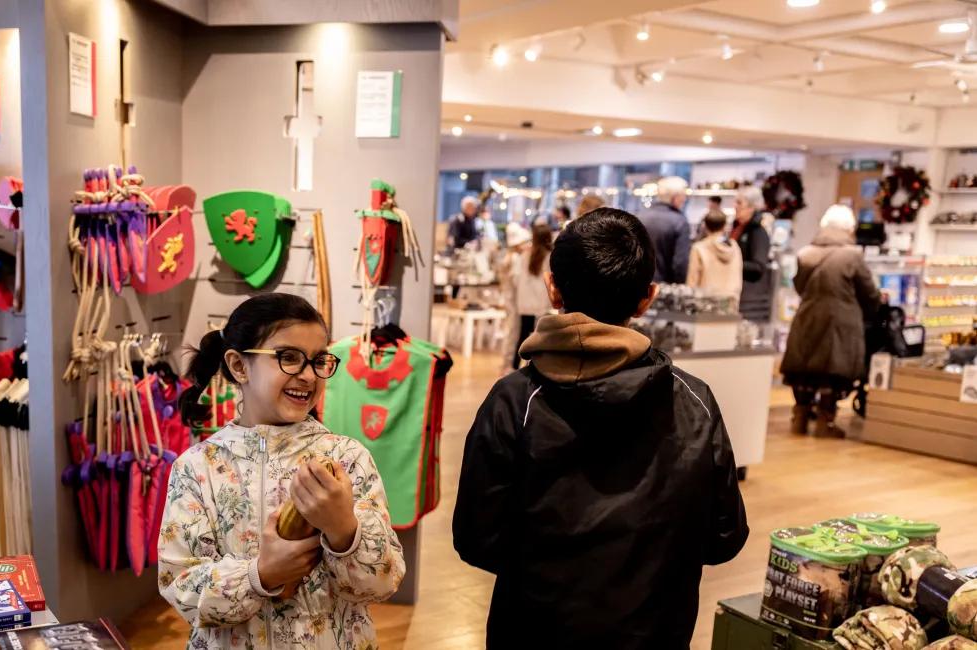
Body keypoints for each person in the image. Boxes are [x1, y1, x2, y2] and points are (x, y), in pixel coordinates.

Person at [452, 208, 748, 649]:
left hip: (533, 632)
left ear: (553, 288)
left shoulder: (516, 401)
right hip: (655, 632)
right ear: (647, 297)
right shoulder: (694, 399)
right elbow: (724, 537)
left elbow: (477, 539)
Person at [158, 293, 405, 649]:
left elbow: (382, 583)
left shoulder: (347, 459)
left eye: (318, 360)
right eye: (288, 358)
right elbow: (179, 586)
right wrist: (260, 575)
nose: (307, 375)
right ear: (240, 366)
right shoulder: (197, 469)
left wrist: (343, 530)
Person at [781, 205, 881, 438]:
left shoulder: (806, 253)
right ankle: (825, 422)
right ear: (849, 228)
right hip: (840, 322)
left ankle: (800, 418)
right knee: (832, 372)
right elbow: (869, 293)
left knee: (804, 371)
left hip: (807, 317)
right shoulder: (853, 255)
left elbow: (799, 287)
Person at [500, 223, 553, 372]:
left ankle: (514, 367)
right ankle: (535, 369)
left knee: (522, 336)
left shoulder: (525, 256)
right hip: (542, 304)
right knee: (540, 338)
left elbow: (518, 280)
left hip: (524, 303)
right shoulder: (550, 257)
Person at [636, 176, 691, 284]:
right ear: (675, 198)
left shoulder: (640, 216)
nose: (684, 199)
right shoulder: (680, 222)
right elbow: (680, 264)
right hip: (663, 288)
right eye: (683, 196)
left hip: (637, 285)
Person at [732, 186, 774, 323]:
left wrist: (732, 263)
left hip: (748, 300)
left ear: (751, 207)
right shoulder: (737, 227)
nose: (735, 206)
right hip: (737, 293)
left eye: (739, 203)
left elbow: (758, 267)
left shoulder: (758, 233)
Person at [687, 210, 743, 300]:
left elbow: (692, 281)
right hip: (730, 300)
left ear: (705, 226)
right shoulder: (734, 246)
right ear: (724, 226)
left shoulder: (699, 248)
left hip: (706, 302)